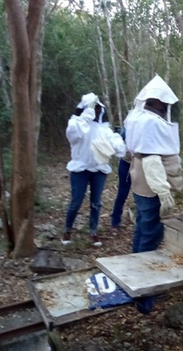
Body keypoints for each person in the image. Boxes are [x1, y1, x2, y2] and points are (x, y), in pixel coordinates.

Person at [124, 74, 183, 313]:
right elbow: (151, 159)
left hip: (139, 181)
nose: (166, 108)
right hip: (150, 184)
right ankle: (144, 295)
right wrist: (163, 191)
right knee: (151, 234)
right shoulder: (151, 122)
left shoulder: (135, 116)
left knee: (141, 228)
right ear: (157, 102)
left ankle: (132, 277)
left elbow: (130, 152)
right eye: (164, 104)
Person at [61, 93, 126, 247]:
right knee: (76, 201)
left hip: (99, 170)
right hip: (80, 169)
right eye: (93, 108)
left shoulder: (104, 129)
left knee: (96, 203)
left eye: (97, 108)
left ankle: (93, 231)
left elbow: (119, 148)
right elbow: (74, 133)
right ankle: (67, 230)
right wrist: (86, 113)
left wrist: (117, 142)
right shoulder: (76, 125)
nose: (95, 111)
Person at [110, 126, 132, 229]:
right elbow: (118, 140)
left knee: (142, 195)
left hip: (141, 165)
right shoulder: (129, 126)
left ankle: (141, 220)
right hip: (126, 163)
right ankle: (115, 220)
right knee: (122, 193)